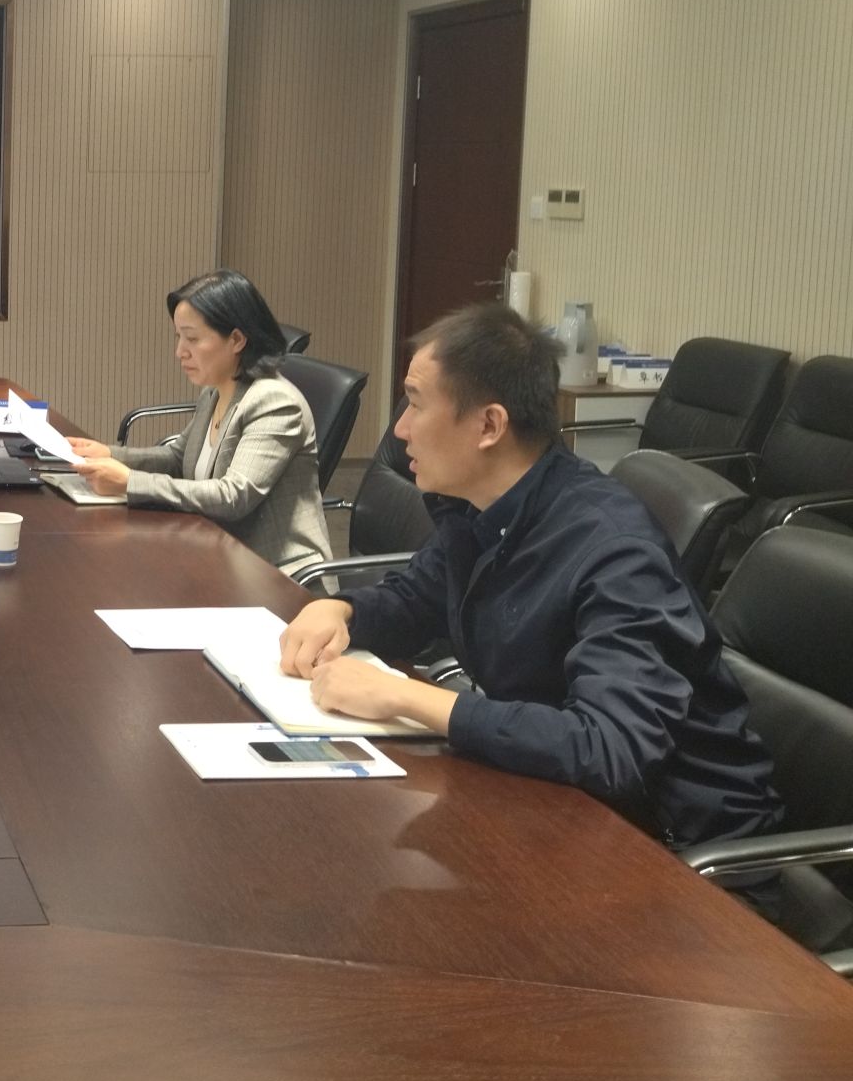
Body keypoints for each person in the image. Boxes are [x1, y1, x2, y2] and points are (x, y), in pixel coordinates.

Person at [278, 302, 781, 855]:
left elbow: (610, 748)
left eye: (415, 404)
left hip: (675, 845)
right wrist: (342, 610)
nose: (399, 430)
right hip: (559, 800)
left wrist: (406, 697)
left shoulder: (615, 551)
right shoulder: (479, 503)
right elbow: (419, 599)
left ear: (489, 425)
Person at [66, 269, 331, 575]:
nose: (180, 352)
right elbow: (178, 457)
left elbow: (233, 497)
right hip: (217, 553)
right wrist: (111, 455)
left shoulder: (275, 402)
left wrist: (130, 482)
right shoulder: (216, 389)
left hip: (277, 574)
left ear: (237, 339)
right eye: (178, 337)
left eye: (192, 338)